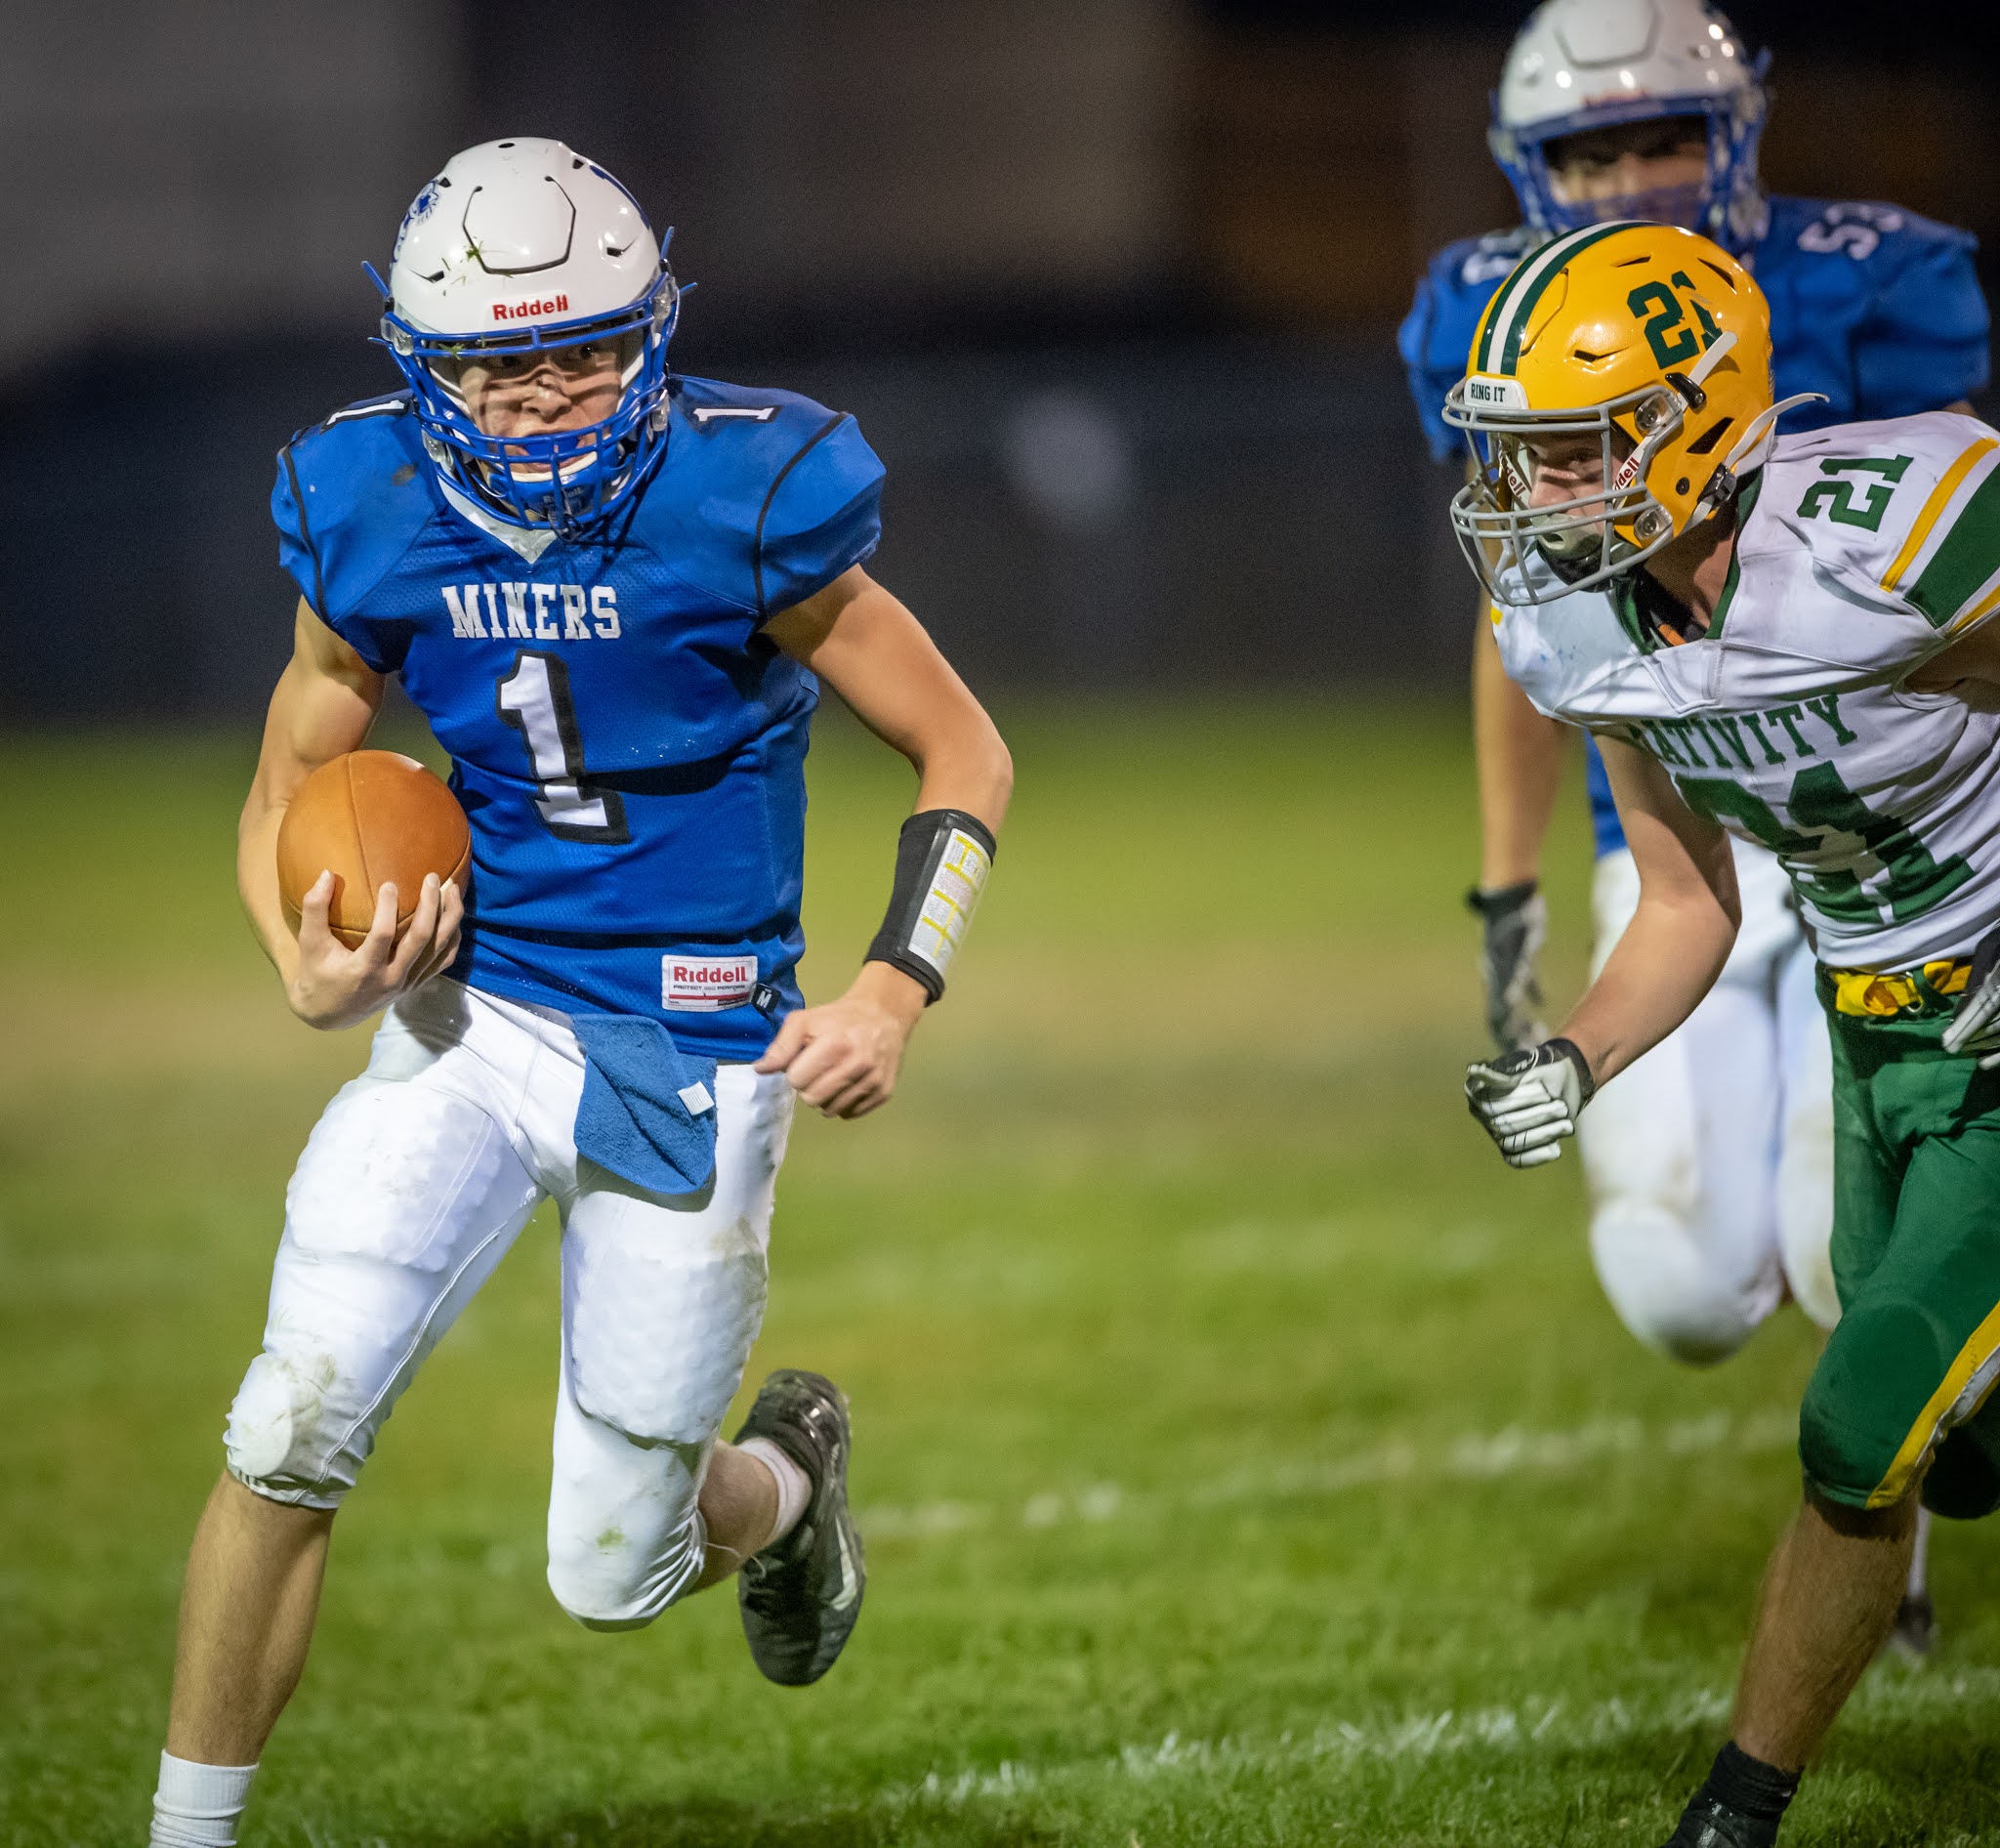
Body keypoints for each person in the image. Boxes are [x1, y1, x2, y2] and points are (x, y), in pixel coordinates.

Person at [146, 139, 1012, 1848]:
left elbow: (962, 745)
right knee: (288, 1415)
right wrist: (300, 958)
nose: (544, 394)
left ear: (655, 331)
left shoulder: (746, 493)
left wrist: (898, 987)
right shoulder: (365, 502)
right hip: (474, 1019)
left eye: (585, 348)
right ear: (424, 366)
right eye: (496, 361)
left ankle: (789, 1485)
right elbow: (286, 769)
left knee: (616, 1574)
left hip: (693, 1043)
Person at [1398, 0, 1988, 1651]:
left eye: (1662, 134)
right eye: (1588, 149)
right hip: (1686, 831)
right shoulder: (1494, 317)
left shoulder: (1873, 283)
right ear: (1528, 170)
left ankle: (1898, 1543)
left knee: (1834, 1241)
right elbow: (1530, 616)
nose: (1629, 174)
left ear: (1736, 134)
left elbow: (1937, 568)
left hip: (1890, 829)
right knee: (1676, 1284)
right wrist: (1508, 887)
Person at [1454, 219, 2000, 1847]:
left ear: (1690, 424)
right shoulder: (1581, 626)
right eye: (1519, 453)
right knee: (1936, 1415)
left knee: (1859, 1424)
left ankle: (1736, 1813)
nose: (1531, 492)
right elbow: (1689, 897)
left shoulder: (1890, 530)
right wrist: (1578, 1055)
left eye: (1566, 451)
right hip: (1875, 1024)